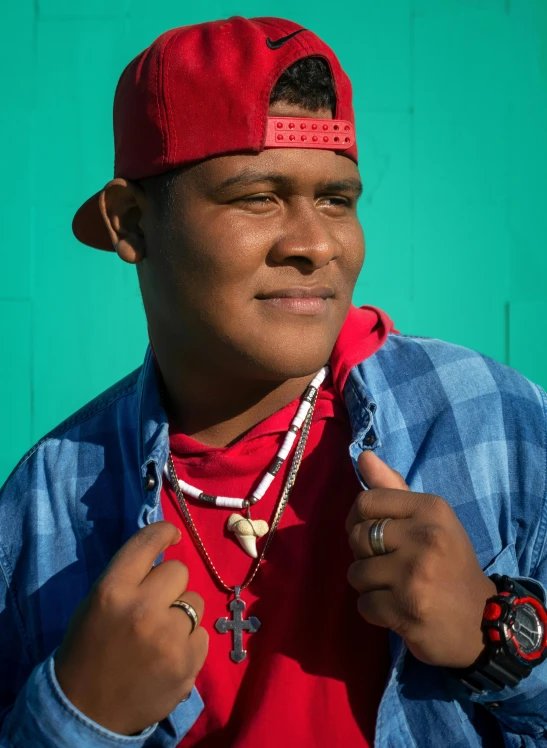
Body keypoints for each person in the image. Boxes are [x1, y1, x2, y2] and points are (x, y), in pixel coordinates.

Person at [0, 15, 546, 748]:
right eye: (256, 197)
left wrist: (498, 638)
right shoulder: (48, 503)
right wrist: (75, 716)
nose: (315, 244)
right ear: (131, 222)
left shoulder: (489, 418)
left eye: (336, 200)